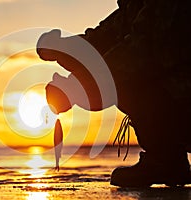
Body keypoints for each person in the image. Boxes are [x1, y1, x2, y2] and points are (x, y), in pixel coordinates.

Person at [36, 0, 191, 187]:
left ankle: (165, 160)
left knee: (126, 82)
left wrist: (75, 86)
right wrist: (62, 49)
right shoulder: (134, 8)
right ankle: (168, 161)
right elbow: (101, 40)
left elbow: (138, 53)